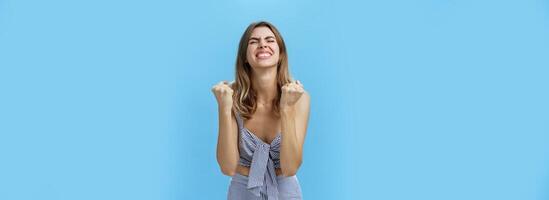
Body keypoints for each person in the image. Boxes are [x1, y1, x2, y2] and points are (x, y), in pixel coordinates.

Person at [211, 21, 310, 200]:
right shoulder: (230, 97)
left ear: (280, 53)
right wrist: (224, 108)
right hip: (243, 191)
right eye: (254, 41)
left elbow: (290, 168)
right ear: (244, 57)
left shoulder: (299, 98)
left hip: (285, 192)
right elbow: (227, 167)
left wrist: (286, 109)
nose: (262, 44)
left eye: (269, 40)